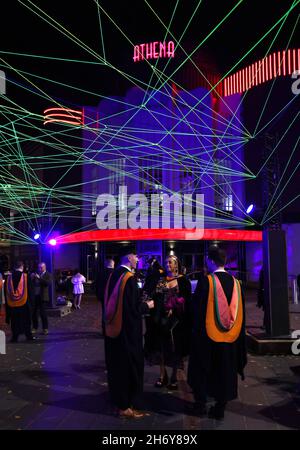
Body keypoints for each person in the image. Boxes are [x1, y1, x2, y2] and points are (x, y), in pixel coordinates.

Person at [187, 245, 247, 420]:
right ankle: (220, 408)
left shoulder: (206, 281)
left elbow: (196, 310)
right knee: (225, 372)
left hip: (207, 338)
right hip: (231, 338)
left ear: (212, 261)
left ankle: (201, 405)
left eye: (207, 259)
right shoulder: (236, 283)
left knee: (203, 370)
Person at [104, 246, 154, 418]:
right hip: (127, 332)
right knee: (128, 366)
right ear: (128, 258)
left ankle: (118, 400)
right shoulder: (129, 279)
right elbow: (132, 309)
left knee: (116, 366)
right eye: (135, 256)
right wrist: (147, 305)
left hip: (112, 330)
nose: (137, 259)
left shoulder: (112, 275)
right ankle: (126, 406)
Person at [144, 255, 192, 390]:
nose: (167, 265)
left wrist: (174, 305)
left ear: (176, 265)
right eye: (166, 262)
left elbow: (187, 300)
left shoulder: (183, 281)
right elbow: (154, 295)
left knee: (175, 349)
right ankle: (162, 375)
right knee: (160, 348)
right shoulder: (161, 279)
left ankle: (174, 376)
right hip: (160, 319)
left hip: (177, 322)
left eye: (170, 262)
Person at [5, 261, 36, 342]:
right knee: (26, 320)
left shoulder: (8, 278)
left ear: (14, 267)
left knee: (14, 321)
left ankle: (14, 337)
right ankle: (28, 335)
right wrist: (32, 304)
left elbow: (6, 292)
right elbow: (31, 291)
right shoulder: (26, 277)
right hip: (24, 303)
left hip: (12, 303)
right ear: (22, 267)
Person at [30, 262, 52, 335]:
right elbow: (32, 284)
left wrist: (39, 278)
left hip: (43, 297)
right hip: (35, 296)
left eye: (41, 267)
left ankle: (45, 328)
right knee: (34, 313)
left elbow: (47, 283)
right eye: (39, 267)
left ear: (45, 267)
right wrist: (32, 278)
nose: (40, 269)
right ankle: (35, 327)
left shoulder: (48, 274)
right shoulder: (37, 274)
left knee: (43, 313)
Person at [96, 258, 115, 334]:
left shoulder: (100, 273)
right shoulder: (115, 273)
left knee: (104, 313)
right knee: (113, 313)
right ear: (112, 264)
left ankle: (104, 330)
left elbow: (96, 285)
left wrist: (99, 295)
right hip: (113, 296)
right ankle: (111, 330)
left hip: (103, 296)